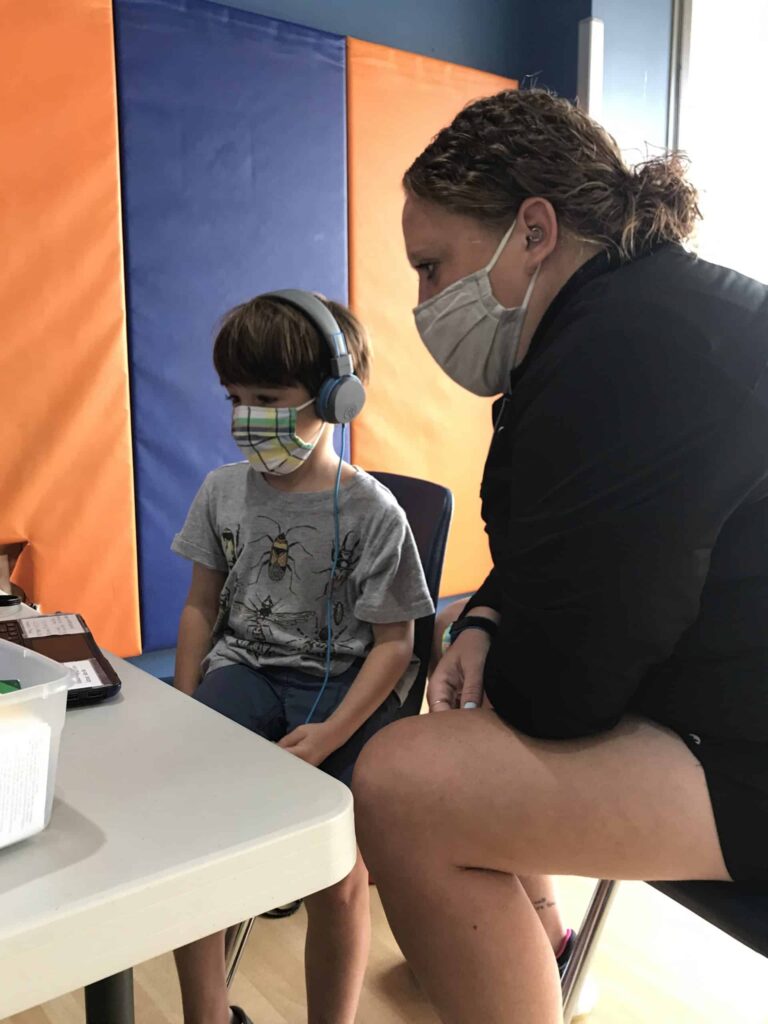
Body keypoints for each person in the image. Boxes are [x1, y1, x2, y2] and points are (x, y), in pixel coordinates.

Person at [353, 88, 768, 1024]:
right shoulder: (646, 313)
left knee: (402, 787)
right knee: (476, 695)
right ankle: (536, 946)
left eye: (431, 267)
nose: (424, 303)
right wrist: (490, 615)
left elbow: (565, 691)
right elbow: (575, 544)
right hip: (731, 693)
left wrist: (505, 643)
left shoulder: (625, 353)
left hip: (748, 746)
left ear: (534, 231)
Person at [170, 291, 434, 1024]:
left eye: (266, 398)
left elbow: (395, 645)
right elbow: (199, 607)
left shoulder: (374, 512)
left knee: (337, 874)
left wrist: (332, 734)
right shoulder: (221, 492)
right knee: (196, 841)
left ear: (336, 399)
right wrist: (187, 706)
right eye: (235, 398)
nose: (245, 417)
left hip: (343, 686)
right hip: (244, 670)